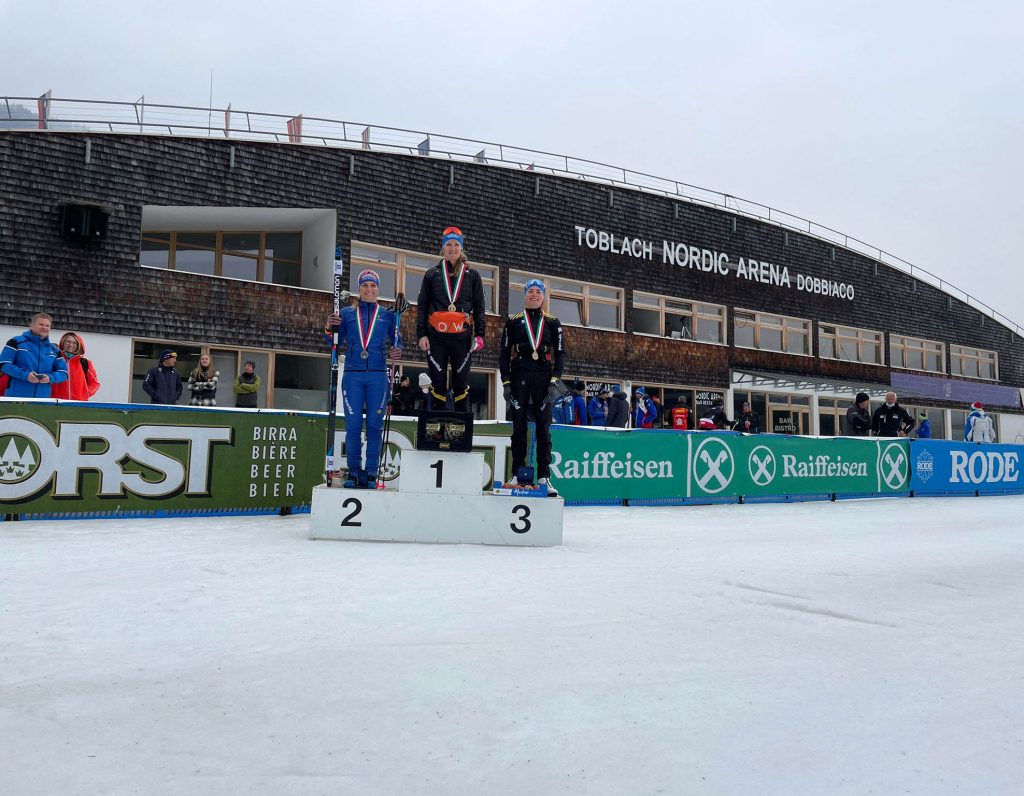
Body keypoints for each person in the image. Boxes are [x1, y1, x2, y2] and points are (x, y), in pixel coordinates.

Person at [325, 269, 402, 488]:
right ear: (360, 289)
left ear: (378, 289)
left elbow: (398, 342)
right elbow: (334, 343)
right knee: (353, 426)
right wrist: (330, 328)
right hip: (353, 375)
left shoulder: (388, 315)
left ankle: (370, 474)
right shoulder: (347, 313)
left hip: (378, 376)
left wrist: (397, 350)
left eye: (373, 286)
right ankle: (354, 473)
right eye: (365, 286)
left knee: (375, 427)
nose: (369, 289)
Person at [498, 278, 565, 495]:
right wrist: (506, 382)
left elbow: (561, 354)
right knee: (518, 426)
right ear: (524, 295)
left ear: (544, 296)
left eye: (538, 291)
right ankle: (518, 473)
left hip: (544, 377)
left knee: (544, 427)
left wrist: (555, 381)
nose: (534, 294)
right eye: (530, 291)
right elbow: (503, 353)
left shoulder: (554, 322)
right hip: (519, 374)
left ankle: (545, 476)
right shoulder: (513, 321)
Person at [416, 226, 486, 412]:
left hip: (462, 338)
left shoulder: (473, 276)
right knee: (437, 379)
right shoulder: (432, 274)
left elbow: (479, 307)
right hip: (436, 337)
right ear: (443, 247)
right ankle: (436, 428)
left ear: (461, 248)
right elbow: (422, 306)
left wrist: (480, 335)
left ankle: (460, 429)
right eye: (449, 244)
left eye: (456, 244)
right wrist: (421, 334)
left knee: (461, 380)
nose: (453, 248)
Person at [0, 312, 69, 398]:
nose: (44, 327)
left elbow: (64, 373)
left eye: (47, 326)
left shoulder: (54, 349)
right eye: (41, 324)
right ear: (31, 325)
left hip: (42, 399)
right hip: (16, 397)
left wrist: (50, 378)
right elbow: (4, 365)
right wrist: (26, 375)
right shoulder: (16, 342)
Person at [49, 331, 100, 401]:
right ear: (63, 343)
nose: (71, 345)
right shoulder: (55, 359)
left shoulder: (85, 363)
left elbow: (94, 383)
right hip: (57, 403)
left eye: (74, 343)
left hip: (78, 405)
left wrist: (86, 393)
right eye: (68, 341)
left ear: (78, 345)